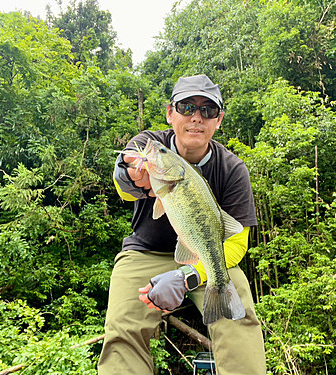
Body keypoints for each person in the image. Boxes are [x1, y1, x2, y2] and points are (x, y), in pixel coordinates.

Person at [98, 74, 266, 375]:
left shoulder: (233, 170)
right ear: (170, 113)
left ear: (219, 120)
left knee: (239, 320)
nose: (196, 118)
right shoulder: (151, 146)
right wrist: (131, 174)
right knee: (123, 329)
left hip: (206, 255)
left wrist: (189, 275)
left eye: (208, 111)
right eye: (187, 107)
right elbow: (124, 182)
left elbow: (238, 242)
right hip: (145, 251)